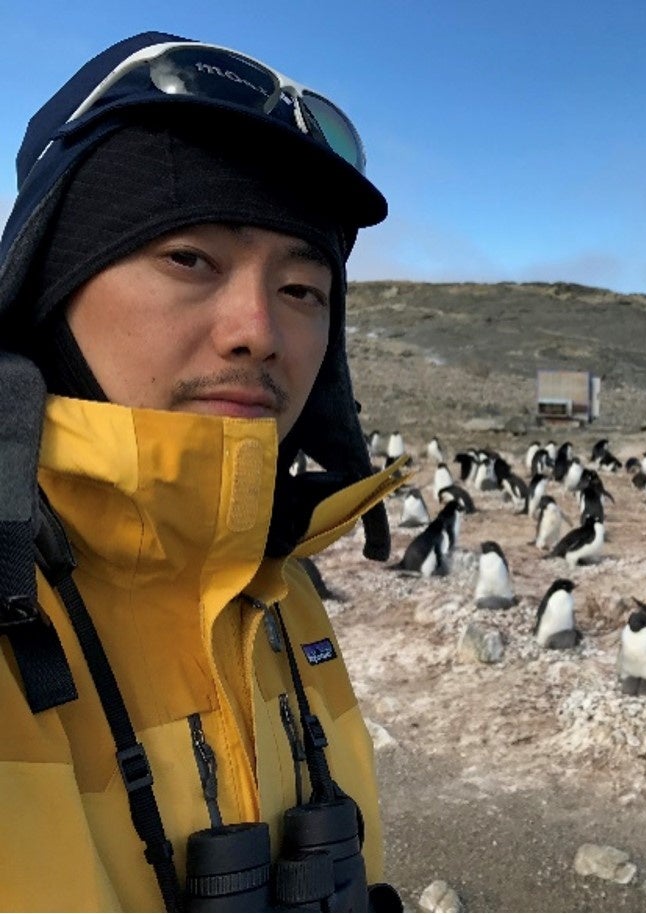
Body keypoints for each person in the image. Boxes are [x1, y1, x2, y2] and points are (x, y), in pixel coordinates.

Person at [0, 31, 406, 910]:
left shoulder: (279, 584)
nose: (258, 330)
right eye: (190, 258)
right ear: (49, 283)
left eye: (302, 290)